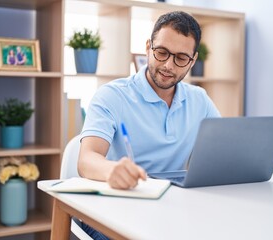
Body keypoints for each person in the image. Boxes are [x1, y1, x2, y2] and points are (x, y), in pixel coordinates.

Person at [77, 11, 221, 239]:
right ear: (148, 47)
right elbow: (87, 159)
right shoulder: (111, 96)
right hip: (112, 207)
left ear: (193, 61)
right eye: (161, 52)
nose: (168, 66)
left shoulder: (199, 100)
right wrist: (112, 170)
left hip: (170, 207)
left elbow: (223, 153)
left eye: (181, 58)